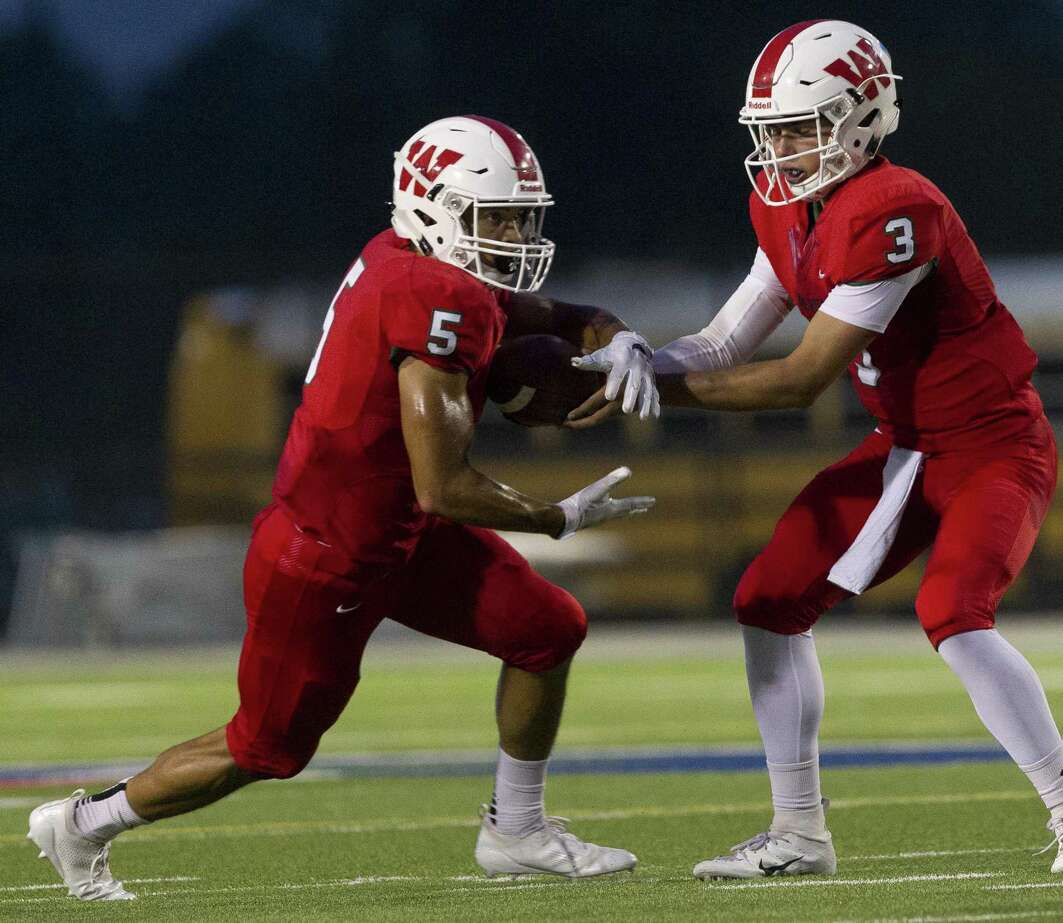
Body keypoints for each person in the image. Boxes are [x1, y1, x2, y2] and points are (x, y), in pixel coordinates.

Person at [29, 115, 659, 901]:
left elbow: (556, 314)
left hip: (399, 532)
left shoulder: (408, 255)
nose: (512, 234)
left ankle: (518, 829)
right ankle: (84, 822)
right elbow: (444, 485)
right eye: (494, 216)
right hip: (327, 556)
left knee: (548, 627)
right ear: (435, 206)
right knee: (266, 748)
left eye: (521, 217)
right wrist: (555, 515)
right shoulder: (430, 291)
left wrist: (624, 337)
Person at [573, 19, 1063, 880]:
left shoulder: (895, 207)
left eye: (801, 126)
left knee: (952, 608)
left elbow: (800, 377)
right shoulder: (786, 207)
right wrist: (641, 357)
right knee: (766, 597)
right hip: (906, 444)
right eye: (774, 129)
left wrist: (657, 393)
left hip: (992, 445)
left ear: (864, 116)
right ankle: (799, 833)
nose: (783, 147)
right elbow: (724, 342)